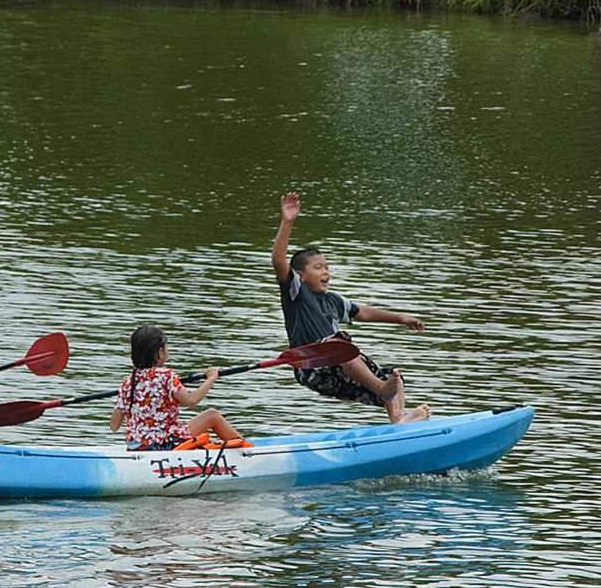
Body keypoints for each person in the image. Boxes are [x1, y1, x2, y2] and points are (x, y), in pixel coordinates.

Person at [271, 191, 430, 424]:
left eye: (327, 267)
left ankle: (398, 420)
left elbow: (362, 312)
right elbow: (277, 261)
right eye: (318, 267)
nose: (326, 272)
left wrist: (401, 318)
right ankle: (382, 389)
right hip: (311, 367)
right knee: (341, 346)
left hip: (338, 369)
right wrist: (287, 222)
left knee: (392, 374)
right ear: (301, 275)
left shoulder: (333, 301)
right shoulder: (296, 292)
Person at [110, 325, 249, 451]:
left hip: (136, 446)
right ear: (159, 352)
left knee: (182, 426)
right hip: (164, 444)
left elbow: (114, 426)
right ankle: (249, 453)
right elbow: (191, 401)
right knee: (212, 415)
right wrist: (211, 378)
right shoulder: (167, 376)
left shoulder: (128, 382)